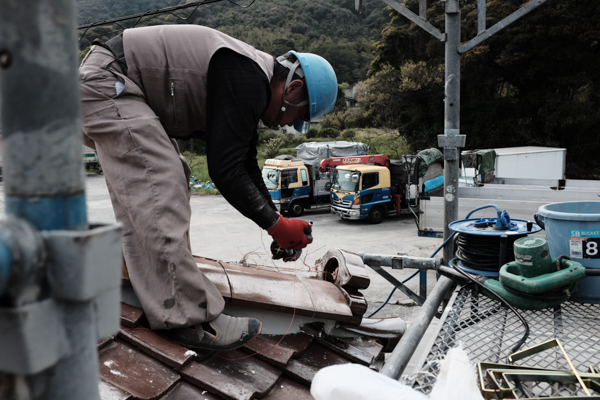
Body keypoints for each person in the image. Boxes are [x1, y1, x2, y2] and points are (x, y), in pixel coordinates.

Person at [79, 24, 338, 351]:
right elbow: (224, 169)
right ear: (293, 88)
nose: (288, 125)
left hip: (108, 83)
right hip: (109, 82)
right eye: (297, 116)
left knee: (157, 184)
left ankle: (159, 288)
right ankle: (186, 317)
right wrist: (276, 224)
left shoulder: (248, 77)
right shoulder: (248, 78)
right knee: (161, 178)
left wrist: (276, 220)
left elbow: (244, 161)